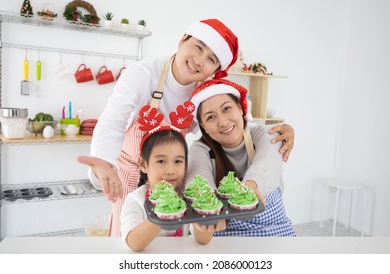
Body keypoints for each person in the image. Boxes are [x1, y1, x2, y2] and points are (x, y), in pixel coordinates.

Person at [77, 18, 295, 236]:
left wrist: (280, 132)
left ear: (215, 70)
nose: (199, 61)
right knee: (129, 240)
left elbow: (243, 123)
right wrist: (104, 162)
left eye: (210, 59)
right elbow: (113, 121)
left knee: (171, 241)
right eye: (198, 47)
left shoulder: (206, 94)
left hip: (171, 176)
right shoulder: (143, 73)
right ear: (182, 40)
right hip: (132, 174)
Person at [186, 78, 296, 236]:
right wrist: (208, 209)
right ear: (203, 126)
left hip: (277, 236)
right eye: (210, 117)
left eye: (227, 109)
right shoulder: (200, 149)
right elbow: (197, 181)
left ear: (240, 108)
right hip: (225, 240)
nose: (223, 122)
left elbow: (267, 162)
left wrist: (251, 186)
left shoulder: (265, 135)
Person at [121, 102, 225, 251]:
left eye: (178, 161)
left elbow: (203, 241)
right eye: (161, 161)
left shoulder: (185, 197)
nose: (170, 170)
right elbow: (134, 243)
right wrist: (166, 211)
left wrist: (204, 214)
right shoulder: (136, 200)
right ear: (143, 164)